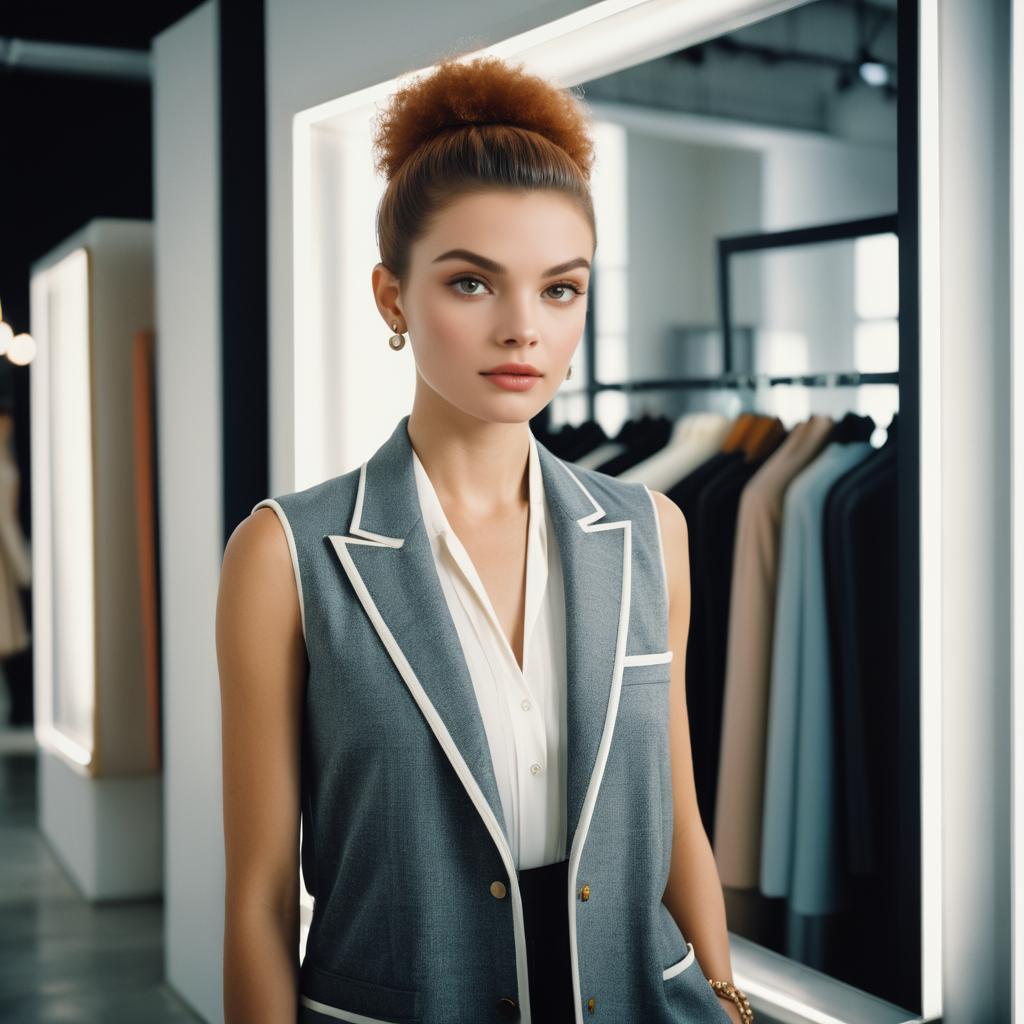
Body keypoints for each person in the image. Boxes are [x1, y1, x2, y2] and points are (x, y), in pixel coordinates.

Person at [216, 53, 751, 1024]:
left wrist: (727, 999)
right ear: (391, 298)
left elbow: (678, 824)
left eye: (560, 289)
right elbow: (257, 897)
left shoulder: (649, 530)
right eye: (472, 284)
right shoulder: (285, 556)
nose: (522, 329)